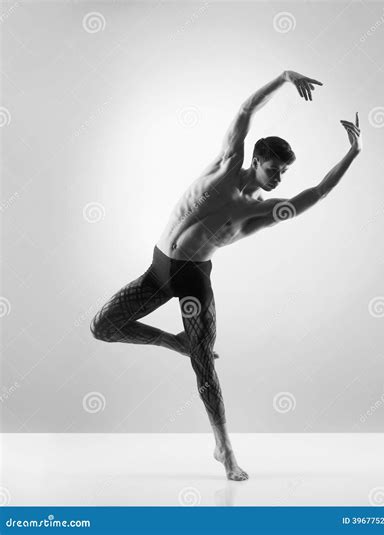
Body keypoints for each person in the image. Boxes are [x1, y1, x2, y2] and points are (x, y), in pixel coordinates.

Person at [90, 70, 362, 481]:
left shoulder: (260, 213)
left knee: (205, 369)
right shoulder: (226, 164)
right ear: (255, 160)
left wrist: (352, 154)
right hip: (159, 267)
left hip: (193, 281)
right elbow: (246, 110)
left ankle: (224, 448)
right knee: (102, 326)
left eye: (284, 173)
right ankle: (174, 343)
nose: (279, 178)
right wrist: (284, 78)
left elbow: (316, 194)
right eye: (275, 168)